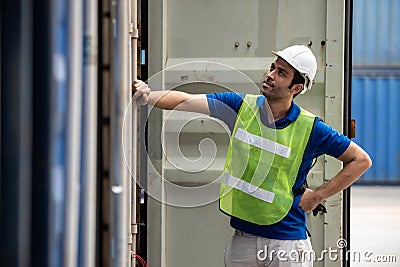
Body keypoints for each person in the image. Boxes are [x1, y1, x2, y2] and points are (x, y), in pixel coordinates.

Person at [133, 45, 372, 267]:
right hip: (243, 239)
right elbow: (185, 100)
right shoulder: (240, 107)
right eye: (272, 67)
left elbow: (361, 160)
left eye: (281, 73)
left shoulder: (311, 129)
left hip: (287, 244)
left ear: (296, 88)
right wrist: (147, 95)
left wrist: (318, 195)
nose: (270, 75)